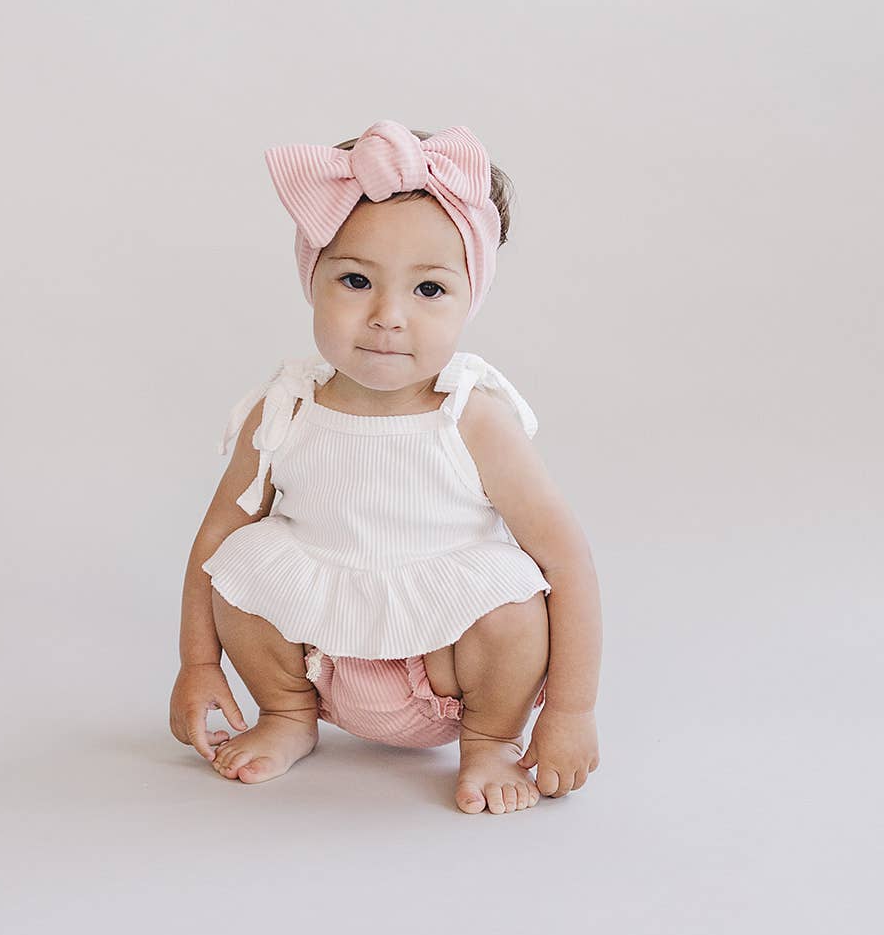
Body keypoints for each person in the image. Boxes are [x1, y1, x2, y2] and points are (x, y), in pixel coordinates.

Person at [169, 119, 602, 814]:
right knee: (241, 557)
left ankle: (490, 742)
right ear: (313, 282)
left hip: (449, 667)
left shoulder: (471, 418)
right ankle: (286, 713)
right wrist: (197, 664)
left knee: (516, 602)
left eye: (428, 290)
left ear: (469, 298)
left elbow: (567, 561)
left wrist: (571, 712)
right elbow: (214, 538)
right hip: (319, 661)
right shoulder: (286, 409)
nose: (387, 316)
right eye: (355, 280)